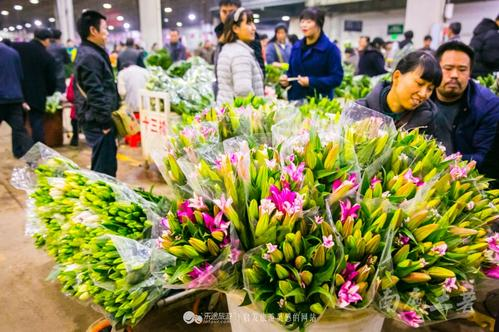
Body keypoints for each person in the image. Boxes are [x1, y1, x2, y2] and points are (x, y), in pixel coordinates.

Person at [431, 41, 499, 184]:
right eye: (448, 68)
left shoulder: (487, 105)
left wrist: (443, 161)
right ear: (436, 69)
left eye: (462, 69)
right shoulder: (422, 97)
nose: (454, 75)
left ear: (470, 72)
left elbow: (483, 157)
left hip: (468, 180)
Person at [74, 10, 120, 177]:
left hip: (97, 119)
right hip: (98, 122)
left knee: (104, 162)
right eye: (105, 28)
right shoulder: (90, 56)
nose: (107, 32)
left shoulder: (93, 52)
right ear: (93, 30)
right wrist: (105, 123)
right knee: (105, 169)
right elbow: (95, 92)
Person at [357, 51, 442, 138]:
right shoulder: (360, 109)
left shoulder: (427, 120)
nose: (423, 94)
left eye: (430, 89)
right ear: (397, 77)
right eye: (419, 83)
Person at [279, 7, 343, 101]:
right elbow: (291, 72)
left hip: (318, 102)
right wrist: (286, 80)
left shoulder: (330, 49)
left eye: (308, 22)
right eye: (302, 21)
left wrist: (311, 82)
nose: (304, 25)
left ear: (319, 24)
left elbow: (336, 78)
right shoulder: (296, 47)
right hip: (296, 100)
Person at [12, 28, 57, 144]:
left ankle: (20, 150)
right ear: (46, 40)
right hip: (36, 95)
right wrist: (50, 92)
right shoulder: (46, 56)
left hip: (17, 92)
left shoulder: (19, 48)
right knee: (36, 123)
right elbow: (51, 80)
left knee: (18, 124)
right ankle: (37, 154)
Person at [216, 8, 264, 105]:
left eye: (253, 23)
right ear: (235, 28)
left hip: (227, 111)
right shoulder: (240, 54)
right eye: (249, 23)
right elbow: (243, 91)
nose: (254, 28)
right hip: (239, 116)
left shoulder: (228, 49)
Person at [214, 0, 264, 81]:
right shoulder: (219, 33)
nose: (227, 15)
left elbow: (259, 65)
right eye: (224, 11)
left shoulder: (249, 35)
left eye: (231, 11)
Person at [0, 42, 33, 158]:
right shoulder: (13, 53)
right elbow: (21, 75)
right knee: (19, 129)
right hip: (15, 97)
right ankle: (30, 157)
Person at [66, 75, 79, 146]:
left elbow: (69, 96)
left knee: (74, 121)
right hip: (92, 106)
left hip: (77, 106)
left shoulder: (74, 77)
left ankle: (75, 138)